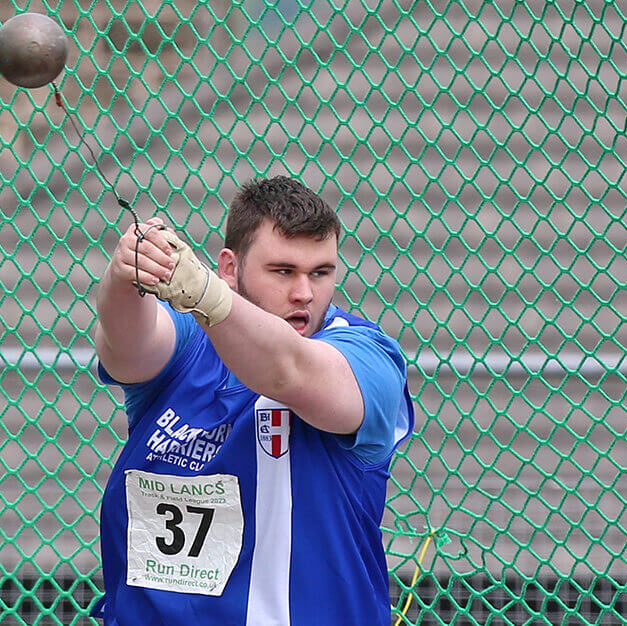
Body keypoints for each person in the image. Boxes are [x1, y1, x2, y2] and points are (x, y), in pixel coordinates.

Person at [90, 175, 414, 625]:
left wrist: (209, 295)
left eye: (321, 273)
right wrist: (125, 275)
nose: (304, 293)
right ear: (230, 267)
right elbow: (125, 347)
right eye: (283, 271)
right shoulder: (189, 342)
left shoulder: (368, 357)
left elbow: (288, 369)